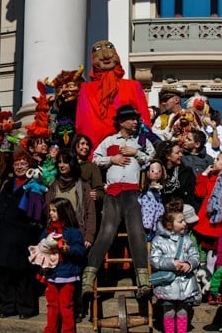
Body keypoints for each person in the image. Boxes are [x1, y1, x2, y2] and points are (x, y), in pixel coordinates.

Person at [82, 104, 155, 298]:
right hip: (112, 194)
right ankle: (88, 281)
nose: (136, 122)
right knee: (106, 233)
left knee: (137, 233)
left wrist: (136, 153)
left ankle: (143, 282)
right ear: (122, 122)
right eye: (132, 119)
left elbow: (153, 157)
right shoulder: (109, 141)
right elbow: (95, 158)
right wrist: (112, 159)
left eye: (136, 119)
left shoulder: (141, 140)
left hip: (132, 194)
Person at [0, 148, 42, 319]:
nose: (19, 166)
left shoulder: (34, 186)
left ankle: (26, 308)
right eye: (16, 163)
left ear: (30, 166)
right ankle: (7, 306)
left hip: (23, 237)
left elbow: (36, 214)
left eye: (23, 163)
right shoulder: (7, 184)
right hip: (4, 236)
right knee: (6, 275)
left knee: (23, 276)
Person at [74, 40, 151, 148]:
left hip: (131, 144)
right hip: (97, 146)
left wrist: (144, 142)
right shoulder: (86, 89)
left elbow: (144, 117)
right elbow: (83, 121)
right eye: (101, 57)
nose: (106, 58)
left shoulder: (133, 86)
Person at [37, 198, 86, 333]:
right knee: (52, 305)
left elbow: (81, 251)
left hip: (68, 274)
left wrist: (68, 249)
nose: (51, 213)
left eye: (54, 210)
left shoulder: (73, 232)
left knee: (66, 306)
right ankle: (51, 330)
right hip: (52, 274)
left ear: (64, 212)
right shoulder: (48, 231)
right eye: (50, 210)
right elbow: (40, 244)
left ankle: (68, 330)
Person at [150, 210, 201, 333]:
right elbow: (154, 259)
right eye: (180, 221)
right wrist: (172, 263)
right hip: (168, 285)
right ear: (169, 224)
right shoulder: (158, 240)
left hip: (185, 283)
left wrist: (189, 264)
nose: (184, 223)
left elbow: (195, 256)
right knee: (169, 311)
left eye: (184, 220)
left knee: (183, 311)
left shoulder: (187, 240)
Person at [45, 150, 96, 250]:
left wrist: (89, 236)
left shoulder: (83, 186)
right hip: (55, 234)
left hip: (77, 235)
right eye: (59, 162)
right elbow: (47, 211)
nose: (61, 165)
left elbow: (91, 212)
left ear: (72, 164)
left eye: (65, 162)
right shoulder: (53, 186)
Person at [157, 140, 197, 208]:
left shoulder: (186, 172)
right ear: (167, 156)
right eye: (177, 153)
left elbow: (192, 197)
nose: (181, 155)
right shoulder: (157, 173)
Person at [140, 161, 166, 240]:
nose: (156, 173)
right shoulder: (147, 187)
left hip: (157, 206)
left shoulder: (160, 187)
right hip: (148, 205)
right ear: (148, 173)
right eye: (153, 171)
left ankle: (155, 232)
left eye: (159, 171)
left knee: (158, 217)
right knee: (148, 217)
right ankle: (149, 232)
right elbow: (151, 187)